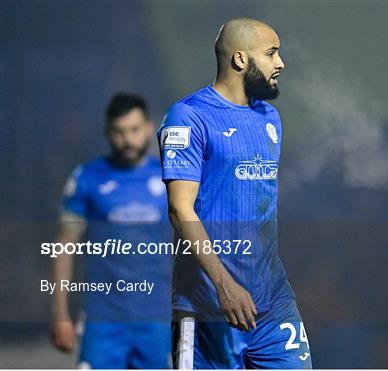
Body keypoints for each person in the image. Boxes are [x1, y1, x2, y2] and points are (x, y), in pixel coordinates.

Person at [158, 17, 312, 369]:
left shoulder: (270, 118)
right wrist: (224, 285)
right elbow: (180, 210)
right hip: (207, 309)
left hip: (272, 303)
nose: (280, 63)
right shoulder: (188, 117)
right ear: (240, 60)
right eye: (272, 53)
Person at [50, 93, 172, 368]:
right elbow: (64, 246)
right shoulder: (87, 178)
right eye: (119, 132)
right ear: (107, 132)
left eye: (134, 130)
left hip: (157, 320)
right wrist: (60, 314)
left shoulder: (171, 178)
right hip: (102, 320)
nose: (127, 140)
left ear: (149, 128)